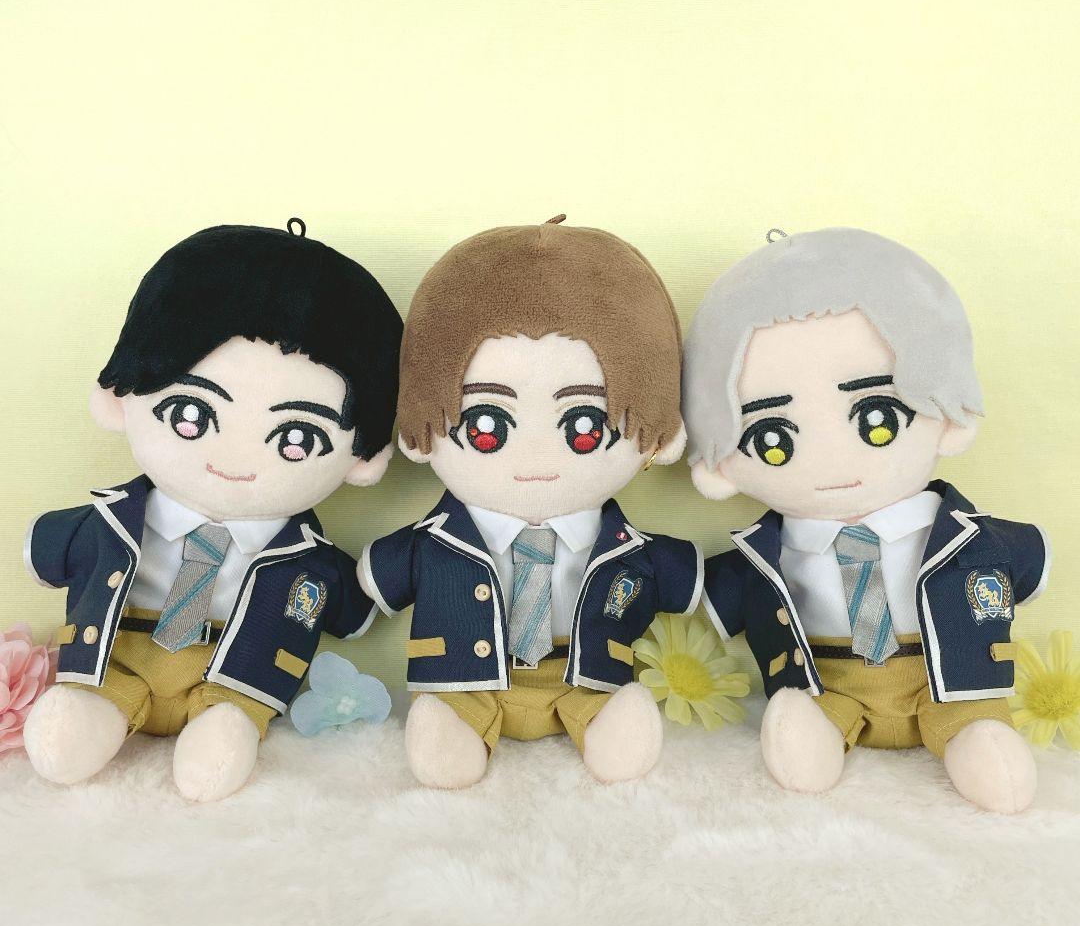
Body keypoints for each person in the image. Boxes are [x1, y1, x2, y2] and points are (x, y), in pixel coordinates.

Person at [22, 221, 403, 801]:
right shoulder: (110, 524)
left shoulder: (311, 565)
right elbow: (43, 551)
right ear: (119, 397)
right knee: (76, 725)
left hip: (234, 678)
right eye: (191, 416)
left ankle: (225, 727)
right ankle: (91, 713)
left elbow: (353, 613)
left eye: (296, 438)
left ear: (363, 460)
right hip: (119, 658)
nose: (235, 457)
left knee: (225, 724)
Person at [683, 228, 1050, 813]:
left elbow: (1025, 569)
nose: (831, 460)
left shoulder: (977, 540)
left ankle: (976, 740)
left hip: (947, 684)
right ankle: (812, 737)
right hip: (831, 688)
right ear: (721, 462)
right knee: (804, 724)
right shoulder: (762, 558)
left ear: (947, 411)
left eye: (878, 418)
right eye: (772, 439)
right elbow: (717, 597)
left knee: (977, 730)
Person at [362, 217, 701, 788]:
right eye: (486, 425)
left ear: (660, 435)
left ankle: (608, 725)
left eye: (586, 426)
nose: (538, 457)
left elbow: (690, 583)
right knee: (448, 724)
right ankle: (452, 727)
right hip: (466, 685)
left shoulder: (633, 553)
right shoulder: (431, 545)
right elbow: (373, 582)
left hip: (586, 684)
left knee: (611, 715)